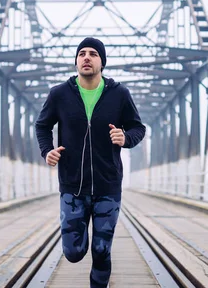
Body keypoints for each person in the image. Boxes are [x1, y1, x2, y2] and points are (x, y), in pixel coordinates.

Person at [35, 37, 146, 288]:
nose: (86, 57)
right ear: (76, 61)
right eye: (82, 53)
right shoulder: (59, 94)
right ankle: (79, 238)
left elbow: (138, 127)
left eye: (93, 54)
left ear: (102, 62)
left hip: (108, 186)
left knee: (102, 249)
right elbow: (42, 125)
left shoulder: (119, 94)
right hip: (72, 186)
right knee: (74, 252)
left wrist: (125, 137)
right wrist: (47, 151)